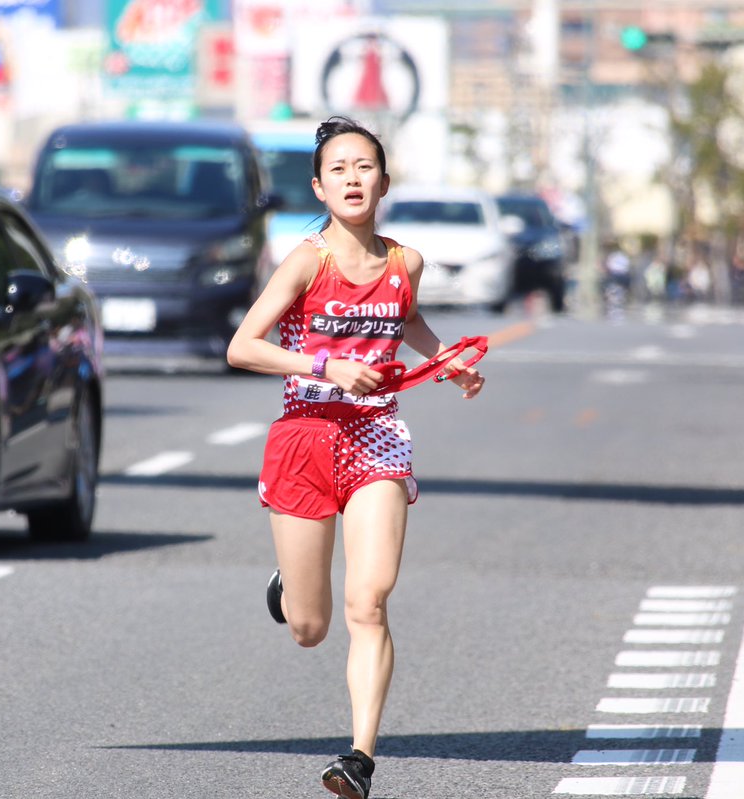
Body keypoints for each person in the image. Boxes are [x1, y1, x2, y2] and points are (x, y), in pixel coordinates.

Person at [227, 116, 485, 799]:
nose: (352, 178)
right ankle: (290, 583)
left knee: (368, 602)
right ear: (319, 185)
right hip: (305, 435)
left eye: (364, 167)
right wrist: (327, 366)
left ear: (384, 182)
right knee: (311, 627)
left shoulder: (406, 263)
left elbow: (407, 321)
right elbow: (243, 346)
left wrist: (447, 359)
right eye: (338, 169)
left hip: (375, 439)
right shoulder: (306, 261)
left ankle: (359, 757)